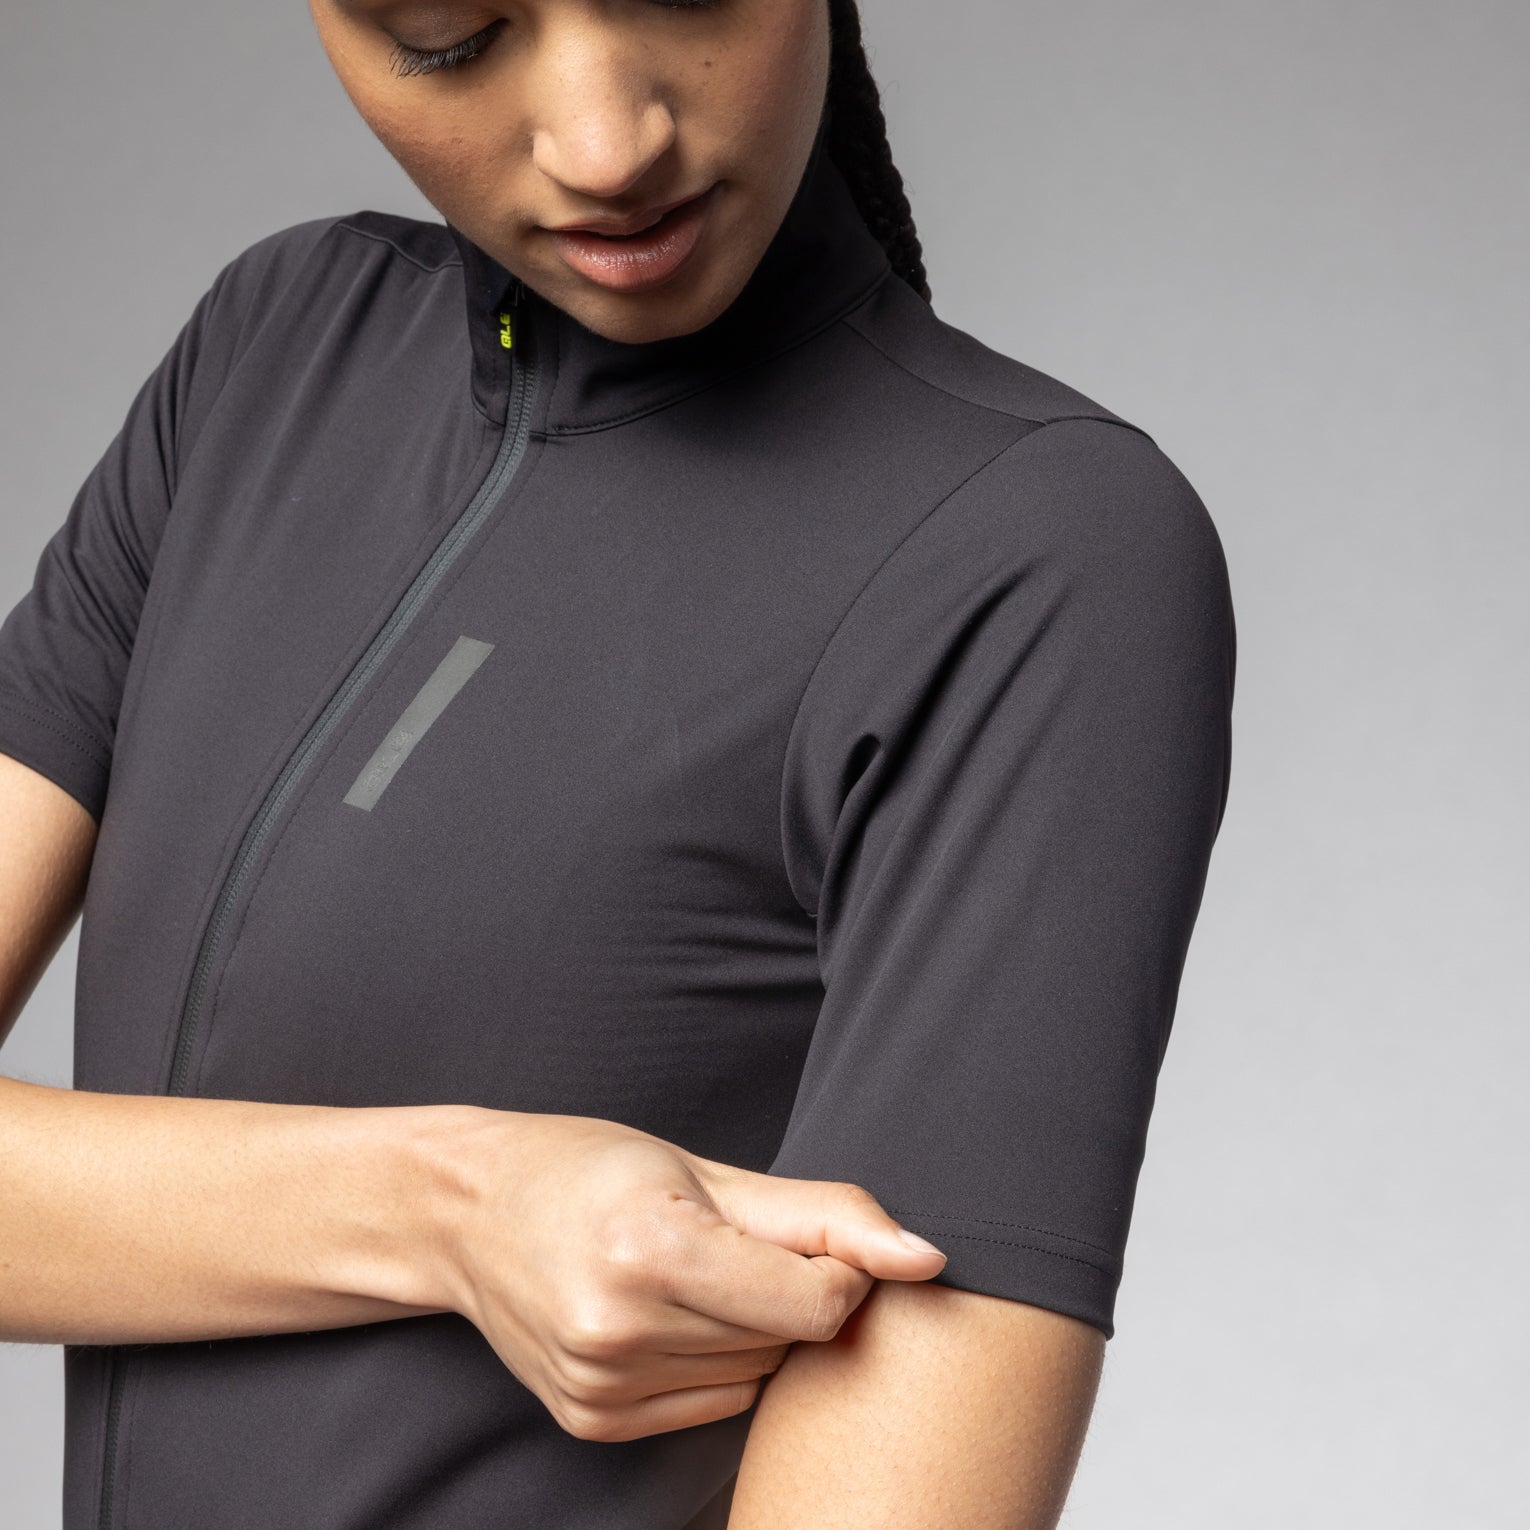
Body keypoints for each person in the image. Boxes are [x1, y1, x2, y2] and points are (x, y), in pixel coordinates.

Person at [0, 1, 1236, 1526]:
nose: (605, 145)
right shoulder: (277, 352)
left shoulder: (1037, 553)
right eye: (448, 30)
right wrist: (454, 1210)